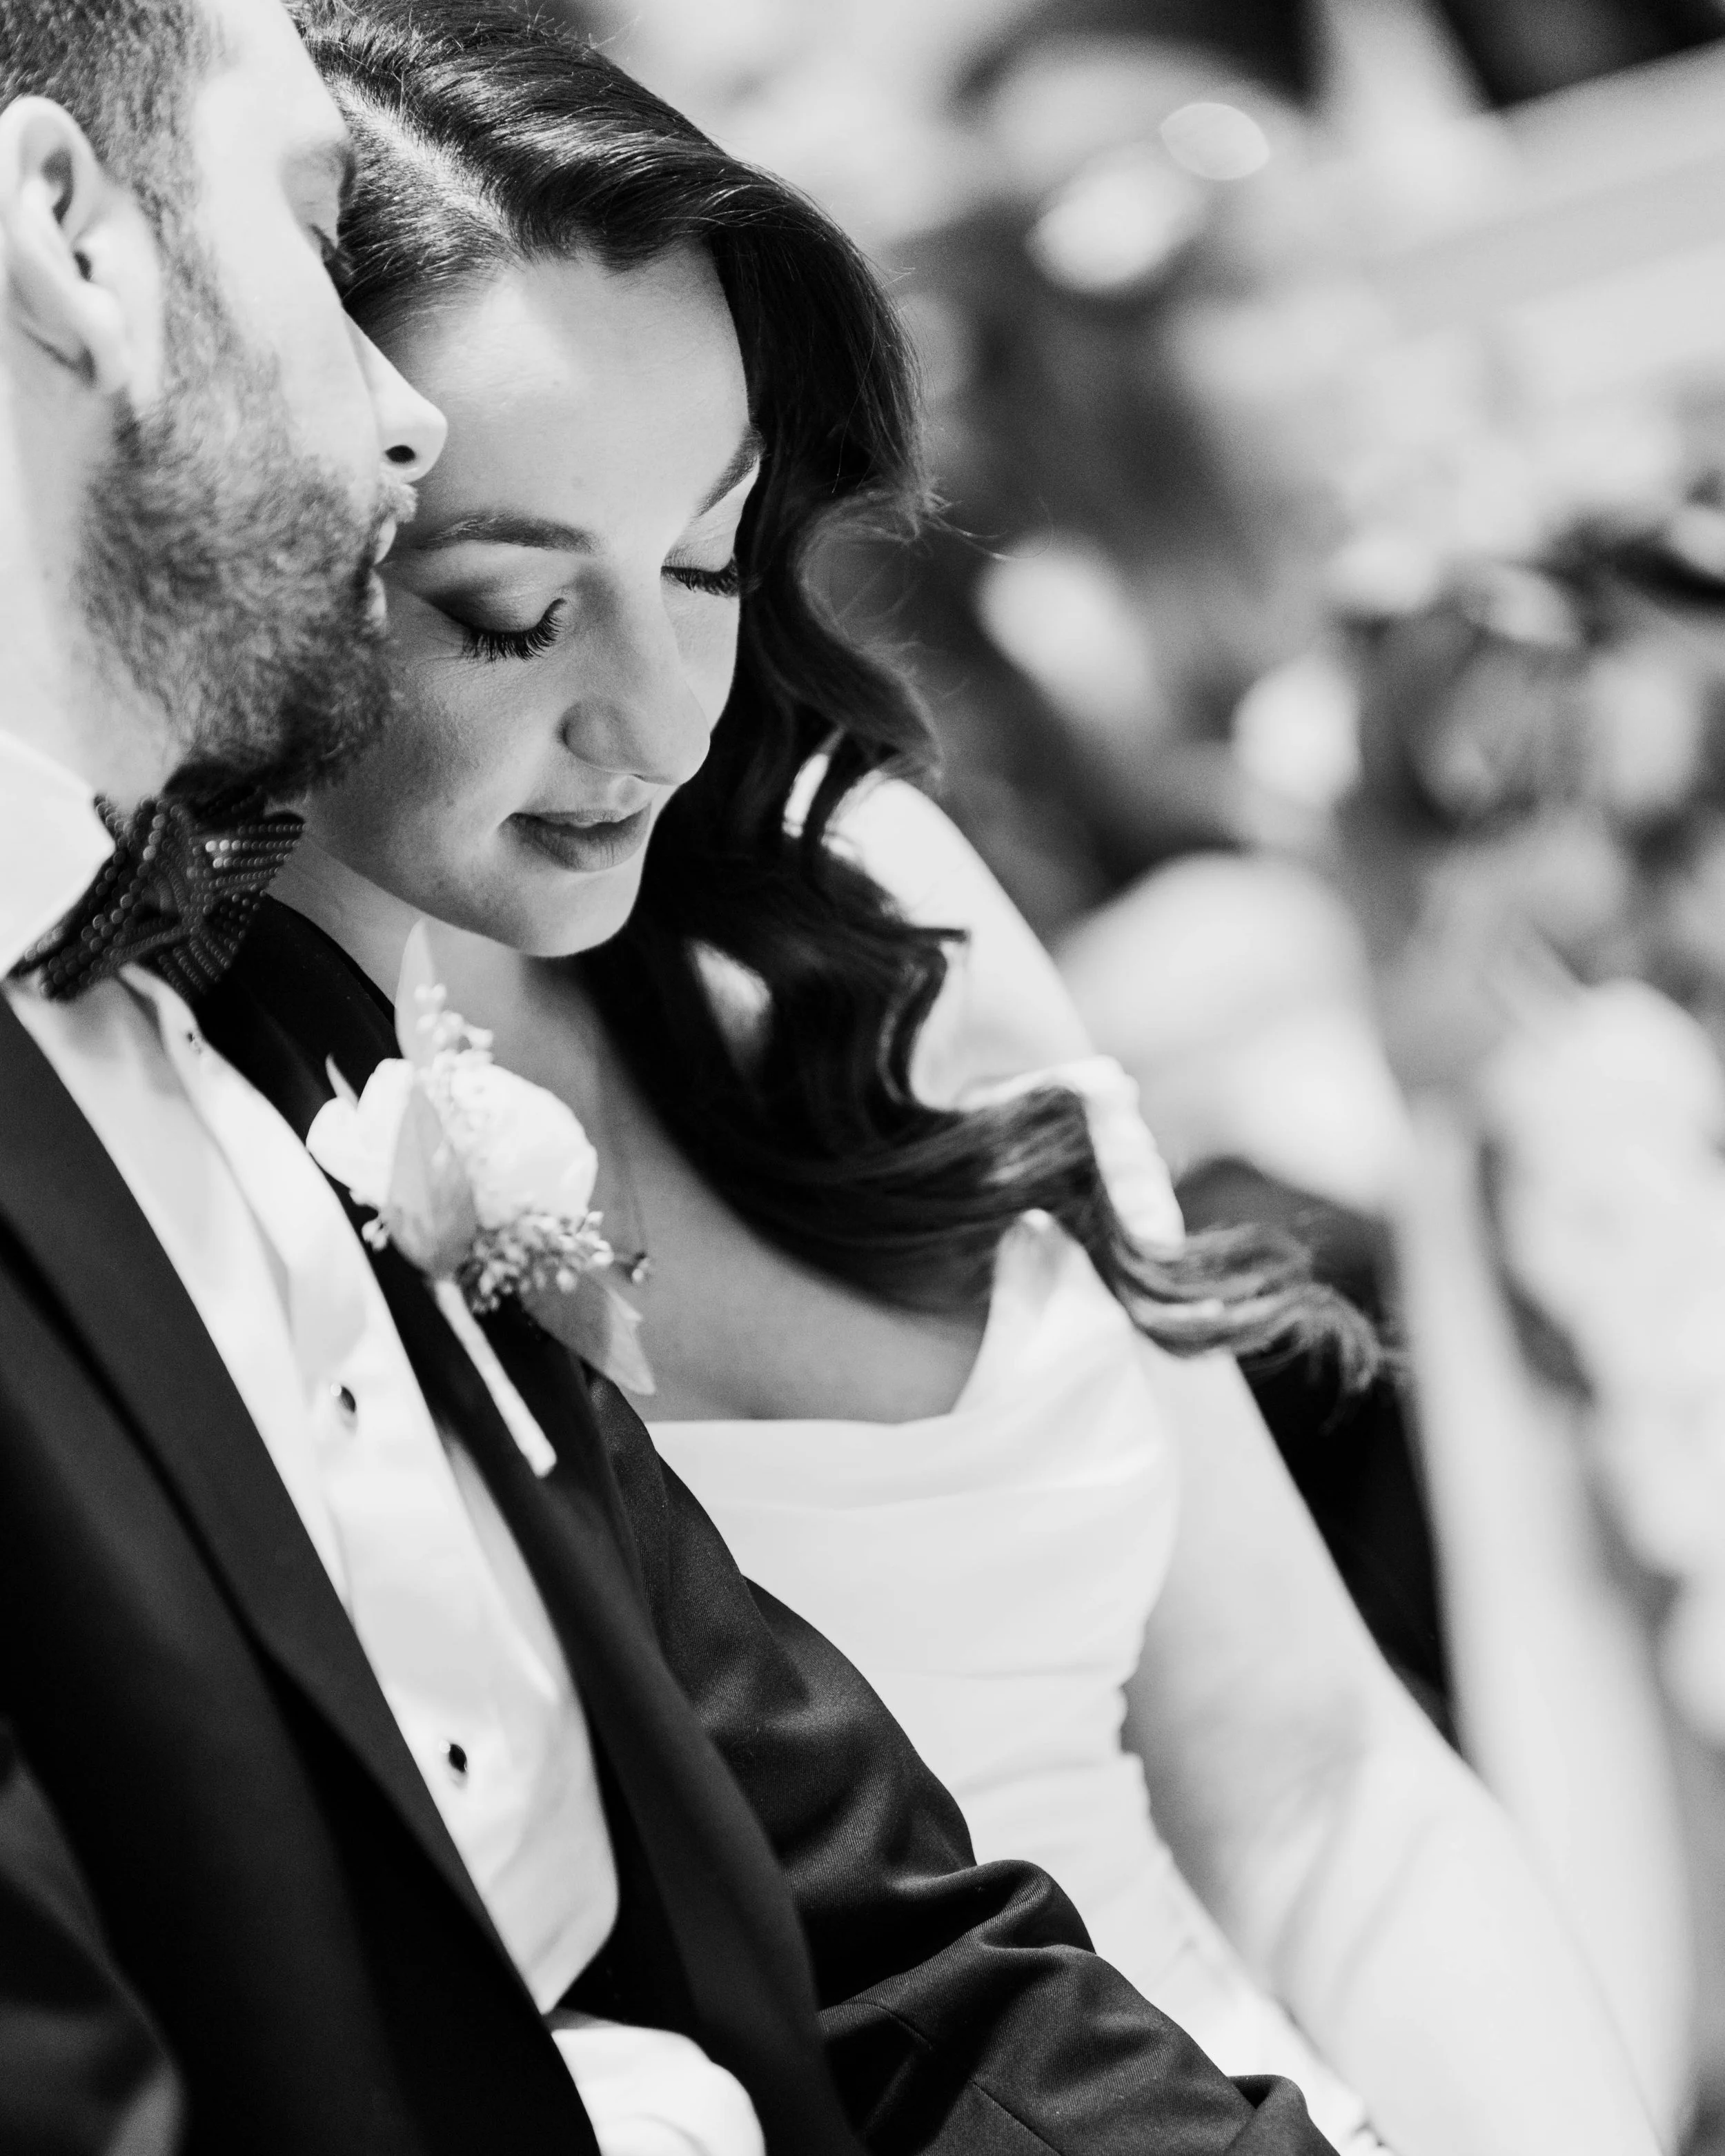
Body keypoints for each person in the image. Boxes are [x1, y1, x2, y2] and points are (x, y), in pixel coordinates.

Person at [264, 8, 1664, 2155]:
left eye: (712, 556)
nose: (656, 715)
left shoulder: (848, 883)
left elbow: (1317, 1788)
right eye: (512, 609)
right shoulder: (219, 1151)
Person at [0, 3, 1349, 2154]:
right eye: (509, 608)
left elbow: (899, 1938)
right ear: (67, 236)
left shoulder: (274, 1060)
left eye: (713, 563)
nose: (381, 426)